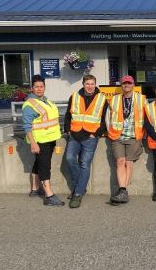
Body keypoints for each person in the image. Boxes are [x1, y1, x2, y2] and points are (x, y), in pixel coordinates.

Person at [64, 74, 108, 208]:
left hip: (90, 137)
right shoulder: (74, 96)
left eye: (92, 84)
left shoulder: (102, 99)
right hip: (75, 135)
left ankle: (77, 194)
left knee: (84, 164)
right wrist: (68, 130)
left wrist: (96, 134)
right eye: (87, 84)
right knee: (70, 158)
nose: (90, 86)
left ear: (95, 84)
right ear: (83, 84)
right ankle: (80, 187)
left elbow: (105, 120)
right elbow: (68, 115)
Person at [22, 74, 64, 206]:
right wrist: (33, 144)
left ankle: (35, 189)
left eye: (41, 86)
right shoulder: (30, 104)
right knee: (45, 166)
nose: (39, 89)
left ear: (44, 87)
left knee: (39, 163)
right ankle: (49, 195)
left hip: (50, 138)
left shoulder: (46, 101)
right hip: (40, 140)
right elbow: (27, 126)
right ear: (32, 88)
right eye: (36, 87)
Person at [107, 75, 146, 205]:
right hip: (117, 136)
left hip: (134, 136)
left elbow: (148, 117)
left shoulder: (141, 99)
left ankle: (123, 191)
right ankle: (122, 191)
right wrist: (109, 131)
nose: (126, 85)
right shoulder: (114, 100)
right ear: (121, 85)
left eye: (129, 83)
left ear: (133, 84)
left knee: (129, 163)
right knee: (120, 161)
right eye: (124, 83)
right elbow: (108, 117)